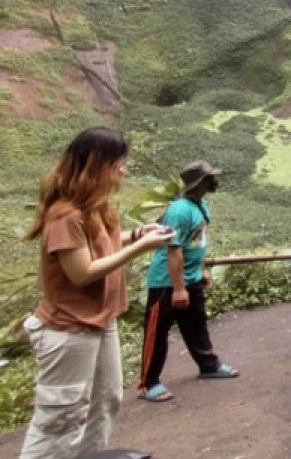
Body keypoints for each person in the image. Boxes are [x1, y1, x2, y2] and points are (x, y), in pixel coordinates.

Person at [21, 127, 174, 459]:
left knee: (104, 402)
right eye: (120, 161)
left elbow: (98, 248)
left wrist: (136, 234)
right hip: (69, 328)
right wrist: (143, 248)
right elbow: (82, 272)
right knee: (60, 419)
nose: (124, 168)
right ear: (99, 163)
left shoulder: (95, 206)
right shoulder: (65, 215)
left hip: (102, 321)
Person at [137, 161, 239, 403]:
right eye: (209, 178)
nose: (214, 181)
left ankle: (209, 366)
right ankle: (148, 383)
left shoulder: (201, 206)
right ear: (199, 182)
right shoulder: (179, 210)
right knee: (157, 332)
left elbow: (197, 243)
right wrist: (179, 288)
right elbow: (174, 250)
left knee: (196, 324)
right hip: (166, 282)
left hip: (190, 278)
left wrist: (200, 272)